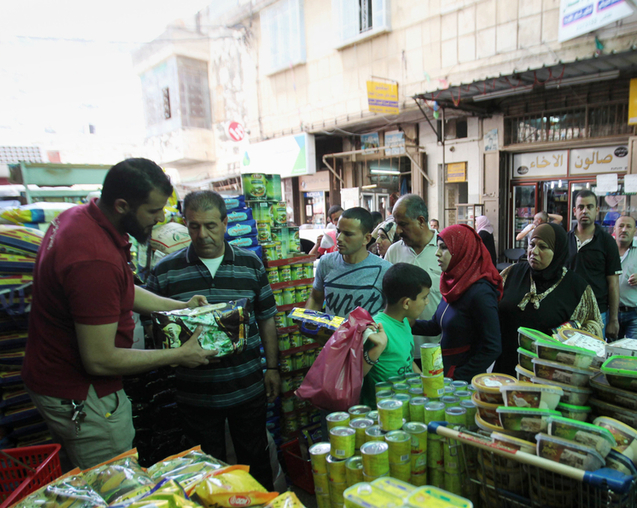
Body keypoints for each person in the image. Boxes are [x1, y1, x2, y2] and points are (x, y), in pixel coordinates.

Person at [22, 158, 216, 470]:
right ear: (122, 205)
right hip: (81, 394)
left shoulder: (79, 219)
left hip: (55, 379)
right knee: (114, 484)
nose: (160, 218)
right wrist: (179, 355)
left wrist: (180, 307)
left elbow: (122, 290)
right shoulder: (93, 259)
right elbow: (99, 359)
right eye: (153, 211)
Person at [144, 191, 280, 488]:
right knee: (206, 469)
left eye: (210, 226)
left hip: (247, 385)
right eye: (194, 226)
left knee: (255, 458)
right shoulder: (166, 270)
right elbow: (151, 325)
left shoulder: (250, 264)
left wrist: (272, 368)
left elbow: (267, 317)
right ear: (186, 224)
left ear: (225, 222)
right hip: (195, 393)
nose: (202, 234)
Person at [497, 223, 603, 376]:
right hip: (506, 369)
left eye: (543, 247)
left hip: (550, 375)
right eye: (532, 245)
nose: (534, 251)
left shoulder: (576, 288)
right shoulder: (512, 274)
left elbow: (593, 329)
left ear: (557, 251)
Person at [412, 225, 502, 381]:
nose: (437, 253)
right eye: (438, 247)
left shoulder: (480, 293)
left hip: (463, 382)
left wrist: (458, 375)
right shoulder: (453, 285)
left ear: (462, 250)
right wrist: (402, 321)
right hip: (446, 373)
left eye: (444, 248)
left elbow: (492, 347)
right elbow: (435, 326)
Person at [360, 263, 431, 407]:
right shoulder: (376, 329)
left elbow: (407, 360)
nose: (427, 302)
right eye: (424, 298)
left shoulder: (404, 321)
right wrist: (378, 347)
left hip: (404, 403)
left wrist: (425, 382)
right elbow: (357, 373)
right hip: (381, 409)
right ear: (406, 303)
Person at [306, 207, 391, 316]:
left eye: (348, 234)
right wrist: (306, 319)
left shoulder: (384, 270)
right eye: (338, 231)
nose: (339, 238)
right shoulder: (326, 263)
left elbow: (393, 315)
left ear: (366, 239)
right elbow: (315, 299)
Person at [388, 194, 442, 357]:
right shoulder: (394, 252)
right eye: (396, 224)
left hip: (437, 349)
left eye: (403, 224)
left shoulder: (444, 251)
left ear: (421, 221)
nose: (398, 231)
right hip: (400, 350)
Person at [568, 189, 621, 340]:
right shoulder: (565, 240)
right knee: (567, 353)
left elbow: (613, 284)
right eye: (581, 207)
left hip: (597, 314)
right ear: (575, 211)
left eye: (589, 207)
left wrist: (613, 320)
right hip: (568, 312)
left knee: (593, 354)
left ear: (597, 210)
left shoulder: (607, 242)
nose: (585, 211)